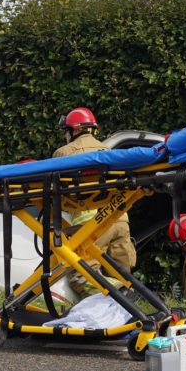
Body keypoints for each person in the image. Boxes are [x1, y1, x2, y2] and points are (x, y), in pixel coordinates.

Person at [53, 106, 138, 296]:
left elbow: (59, 193)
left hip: (91, 226)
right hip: (120, 221)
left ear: (74, 130)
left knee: (82, 277)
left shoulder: (63, 153)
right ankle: (125, 304)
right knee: (121, 274)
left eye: (66, 131)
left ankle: (117, 296)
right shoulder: (108, 151)